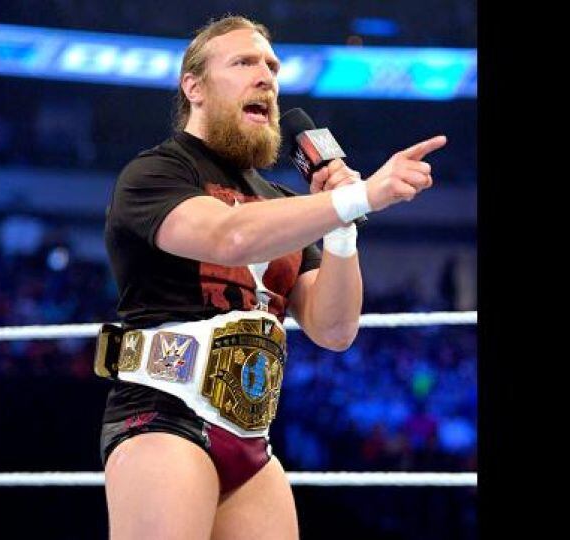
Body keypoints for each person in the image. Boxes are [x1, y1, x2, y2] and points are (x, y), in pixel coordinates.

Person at [96, 15, 446, 539]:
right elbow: (229, 236)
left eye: (272, 66)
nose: (266, 77)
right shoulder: (155, 174)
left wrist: (342, 225)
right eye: (244, 62)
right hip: (163, 417)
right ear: (194, 87)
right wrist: (360, 196)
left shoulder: (283, 203)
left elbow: (334, 329)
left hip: (252, 437)